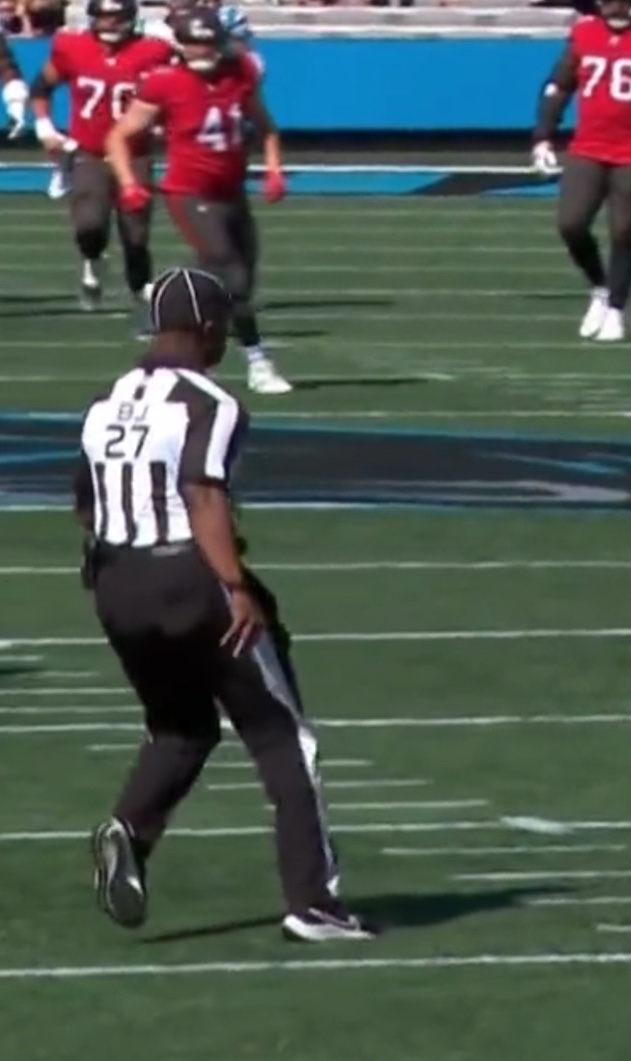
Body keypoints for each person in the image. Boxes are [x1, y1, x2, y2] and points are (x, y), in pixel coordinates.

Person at [75, 266, 374, 942]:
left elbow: (85, 503)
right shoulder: (211, 402)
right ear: (208, 327)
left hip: (117, 581)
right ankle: (314, 901)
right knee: (281, 736)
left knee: (180, 726)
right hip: (191, 577)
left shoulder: (104, 401)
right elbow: (203, 493)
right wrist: (236, 585)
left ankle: (133, 828)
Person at [106, 7, 291, 396]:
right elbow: (118, 136)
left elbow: (267, 127)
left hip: (232, 193)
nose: (200, 51)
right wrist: (127, 183)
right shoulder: (164, 83)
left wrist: (274, 170)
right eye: (192, 43)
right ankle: (258, 361)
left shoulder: (240, 73)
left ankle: (176, 312)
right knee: (232, 274)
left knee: (231, 278)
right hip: (189, 193)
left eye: (206, 42)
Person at [532, 0, 631, 343]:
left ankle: (617, 309)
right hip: (588, 146)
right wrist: (543, 137)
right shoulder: (585, 32)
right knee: (570, 223)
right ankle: (601, 287)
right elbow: (559, 85)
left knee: (622, 231)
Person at [29, 0, 175, 328]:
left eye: (118, 16)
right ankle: (92, 261)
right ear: (93, 18)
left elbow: (175, 91)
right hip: (90, 150)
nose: (111, 23)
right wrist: (44, 127)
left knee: (135, 231)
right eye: (105, 16)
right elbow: (42, 87)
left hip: (135, 152)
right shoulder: (73, 47)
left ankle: (140, 290)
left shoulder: (154, 51)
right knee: (89, 224)